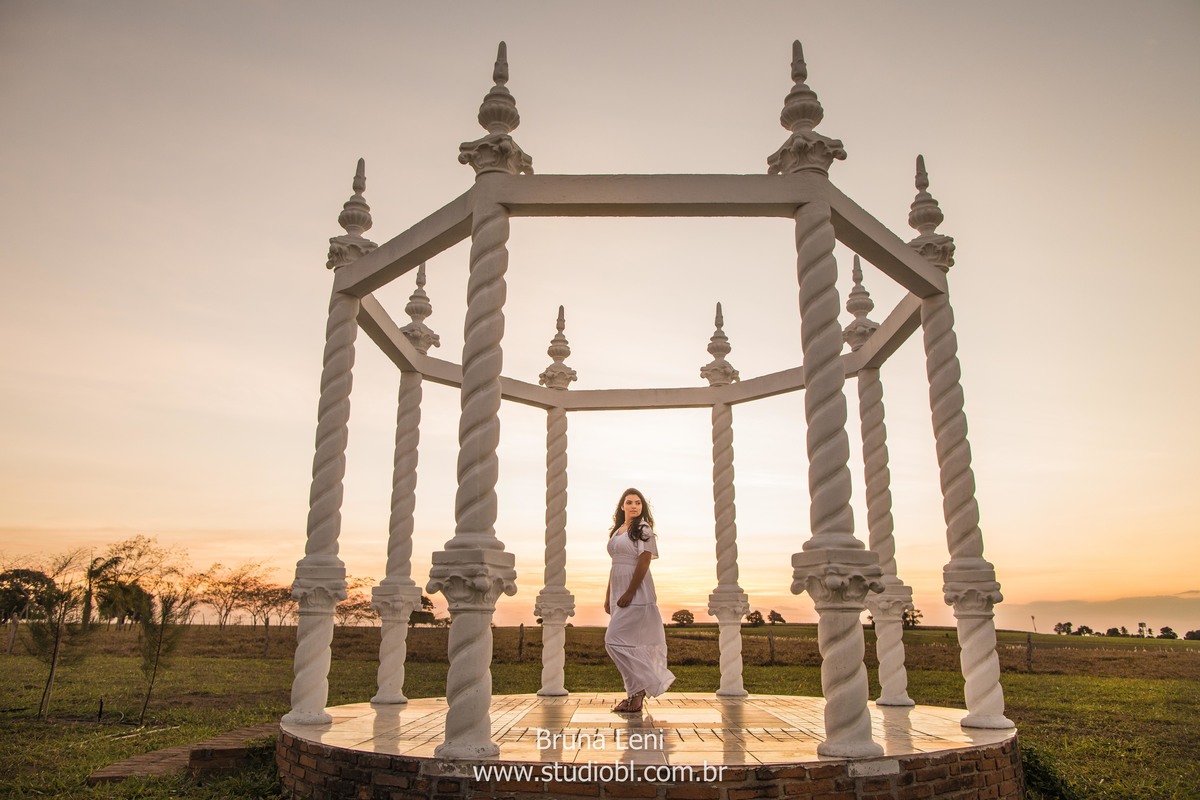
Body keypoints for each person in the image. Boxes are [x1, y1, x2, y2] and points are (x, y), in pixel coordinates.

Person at [604, 487, 675, 713]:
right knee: (626, 644)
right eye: (630, 502)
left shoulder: (643, 528)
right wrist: (609, 595)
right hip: (618, 590)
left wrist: (629, 592)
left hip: (637, 591)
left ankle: (642, 686)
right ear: (622, 506)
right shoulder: (617, 531)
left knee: (613, 640)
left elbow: (644, 561)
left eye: (638, 503)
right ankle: (634, 695)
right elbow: (614, 565)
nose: (634, 506)